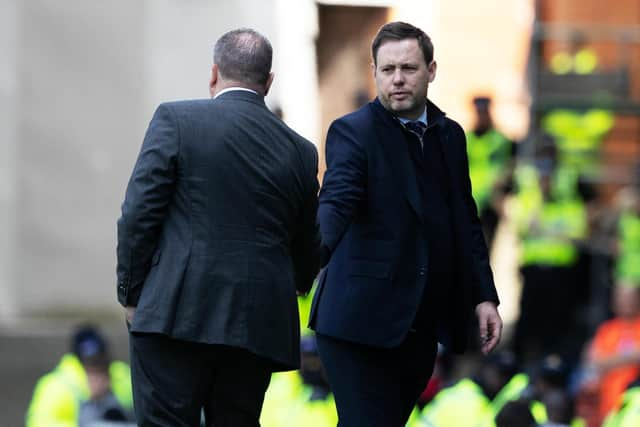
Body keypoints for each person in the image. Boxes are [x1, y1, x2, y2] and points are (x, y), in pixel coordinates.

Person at [116, 28, 322, 426]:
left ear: (214, 74)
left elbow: (137, 215)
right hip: (258, 323)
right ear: (268, 81)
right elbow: (308, 240)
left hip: (173, 314)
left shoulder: (176, 120)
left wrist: (131, 293)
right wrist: (300, 278)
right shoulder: (300, 150)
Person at [309, 21, 502, 426]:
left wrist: (484, 297)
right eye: (387, 69)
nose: (397, 79)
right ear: (375, 71)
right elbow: (336, 202)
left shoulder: (450, 135)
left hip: (416, 328)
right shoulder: (354, 131)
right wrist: (304, 260)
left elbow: (465, 220)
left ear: (431, 71)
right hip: (355, 325)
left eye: (409, 69)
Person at [26, 325, 134, 427]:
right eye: (90, 361)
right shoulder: (55, 385)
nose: (96, 365)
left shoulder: (123, 375)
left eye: (100, 357)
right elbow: (37, 423)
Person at [465, 96, 514, 249]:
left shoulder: (502, 140)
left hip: (492, 201)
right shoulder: (466, 139)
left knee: (487, 245)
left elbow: (510, 166)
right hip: (470, 199)